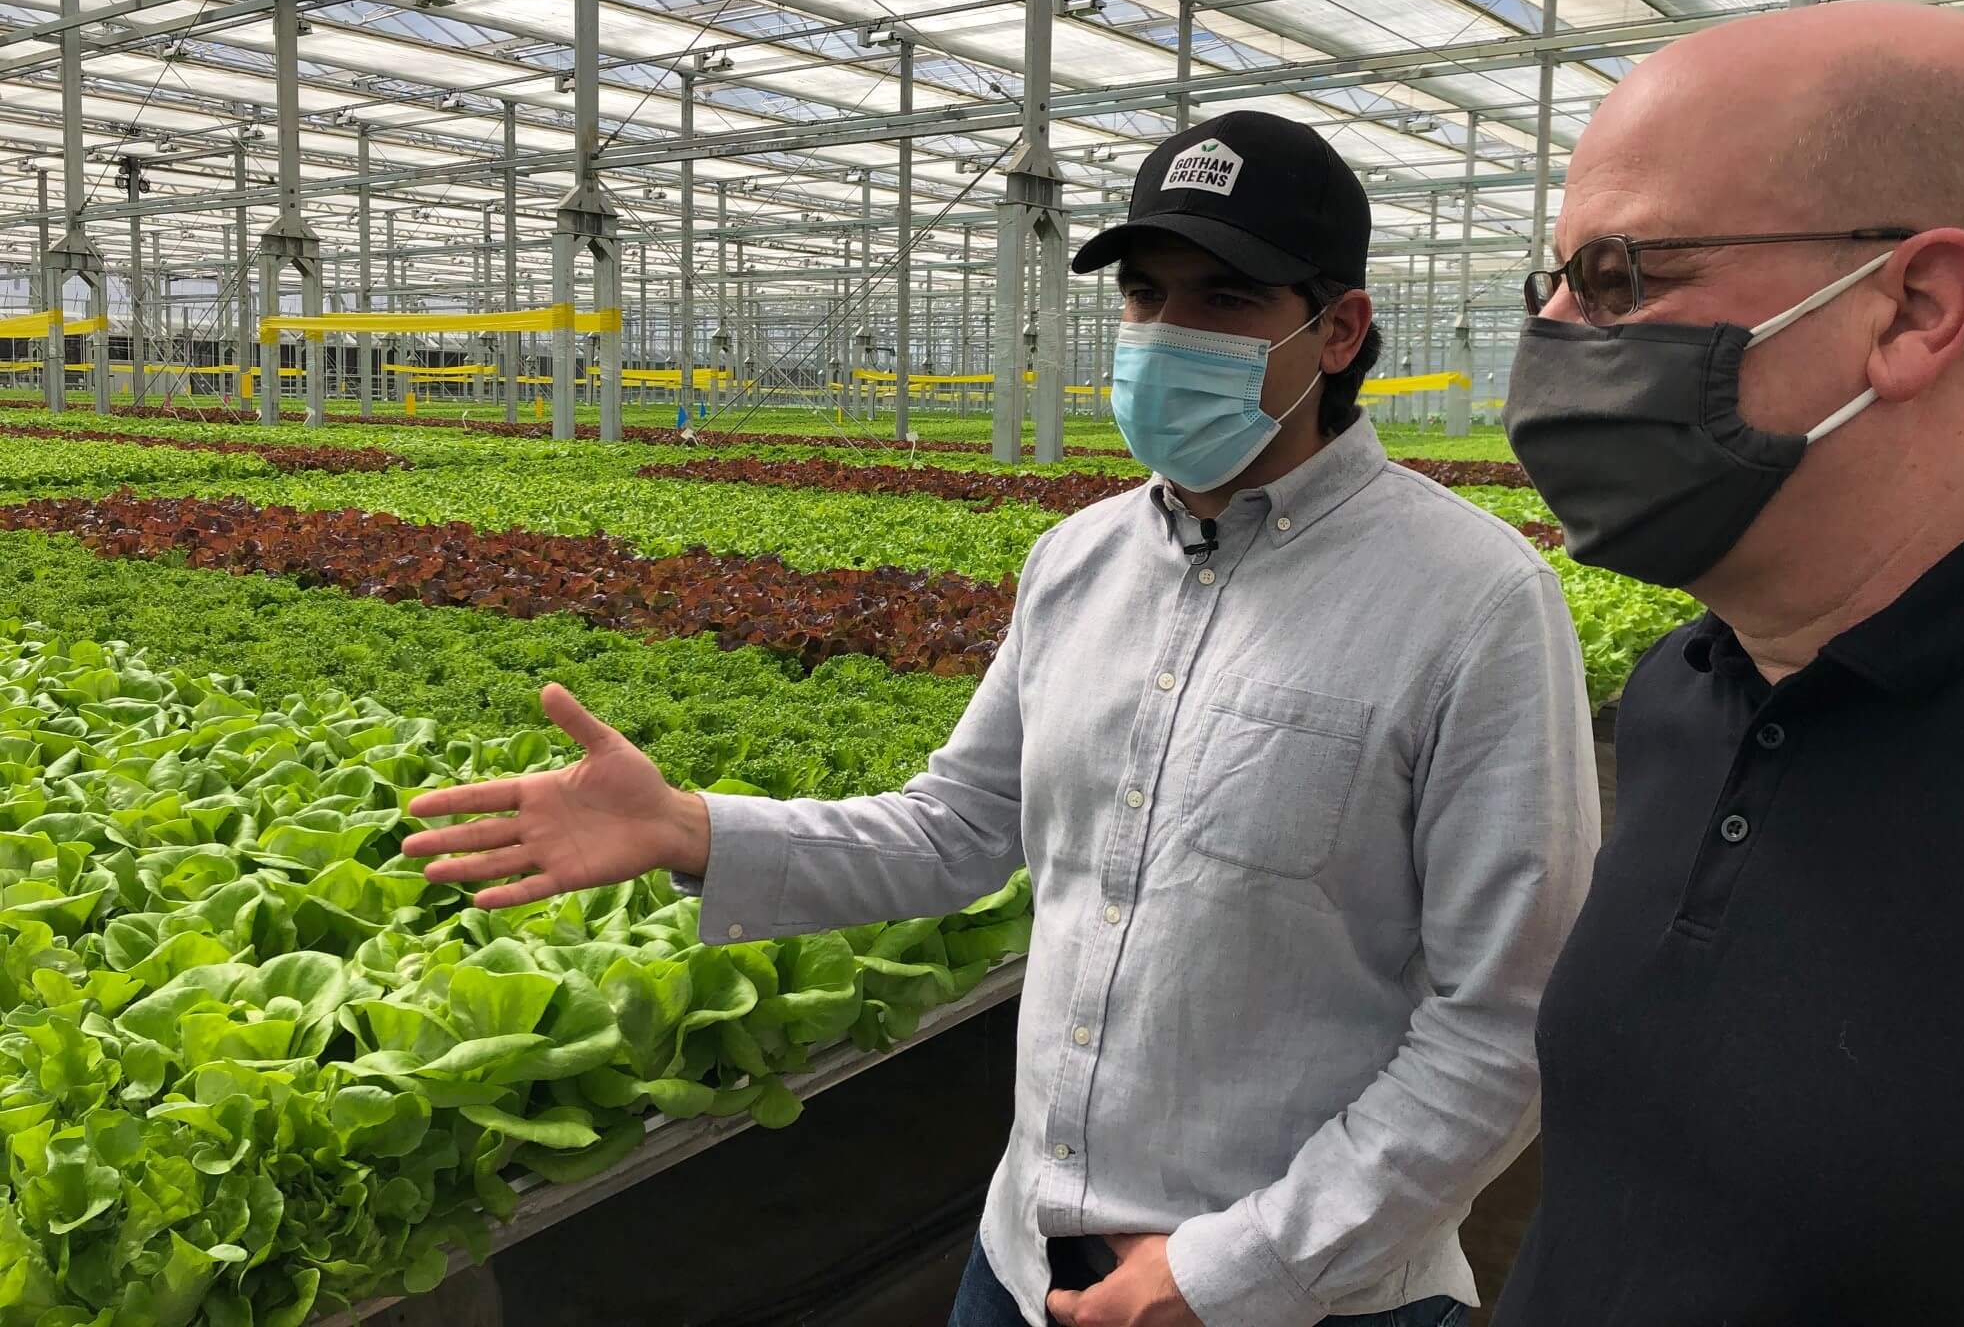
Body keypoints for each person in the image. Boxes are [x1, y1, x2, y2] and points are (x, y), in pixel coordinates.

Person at [405, 110, 1599, 1327]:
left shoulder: (1476, 603)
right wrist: (696, 829)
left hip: (1306, 1299)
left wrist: (1235, 1271)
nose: (1166, 334)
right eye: (1144, 296)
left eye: (1225, 301)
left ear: (1337, 330)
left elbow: (1507, 1021)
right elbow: (955, 830)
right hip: (1021, 1259)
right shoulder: (1076, 563)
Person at [1496, 0, 1964, 1323]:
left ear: (1914, 307)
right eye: (1547, 283)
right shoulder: (1684, 693)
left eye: (1618, 277)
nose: (1554, 337)